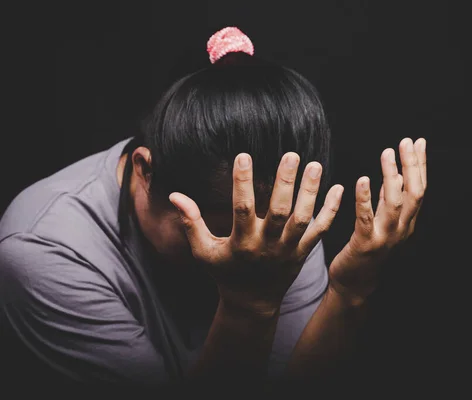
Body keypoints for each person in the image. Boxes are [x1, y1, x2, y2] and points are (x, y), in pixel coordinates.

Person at [0, 27, 427, 387]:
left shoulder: (276, 216)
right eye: (223, 230)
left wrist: (350, 292)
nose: (252, 247)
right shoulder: (44, 251)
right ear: (145, 172)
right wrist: (249, 302)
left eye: (271, 221)